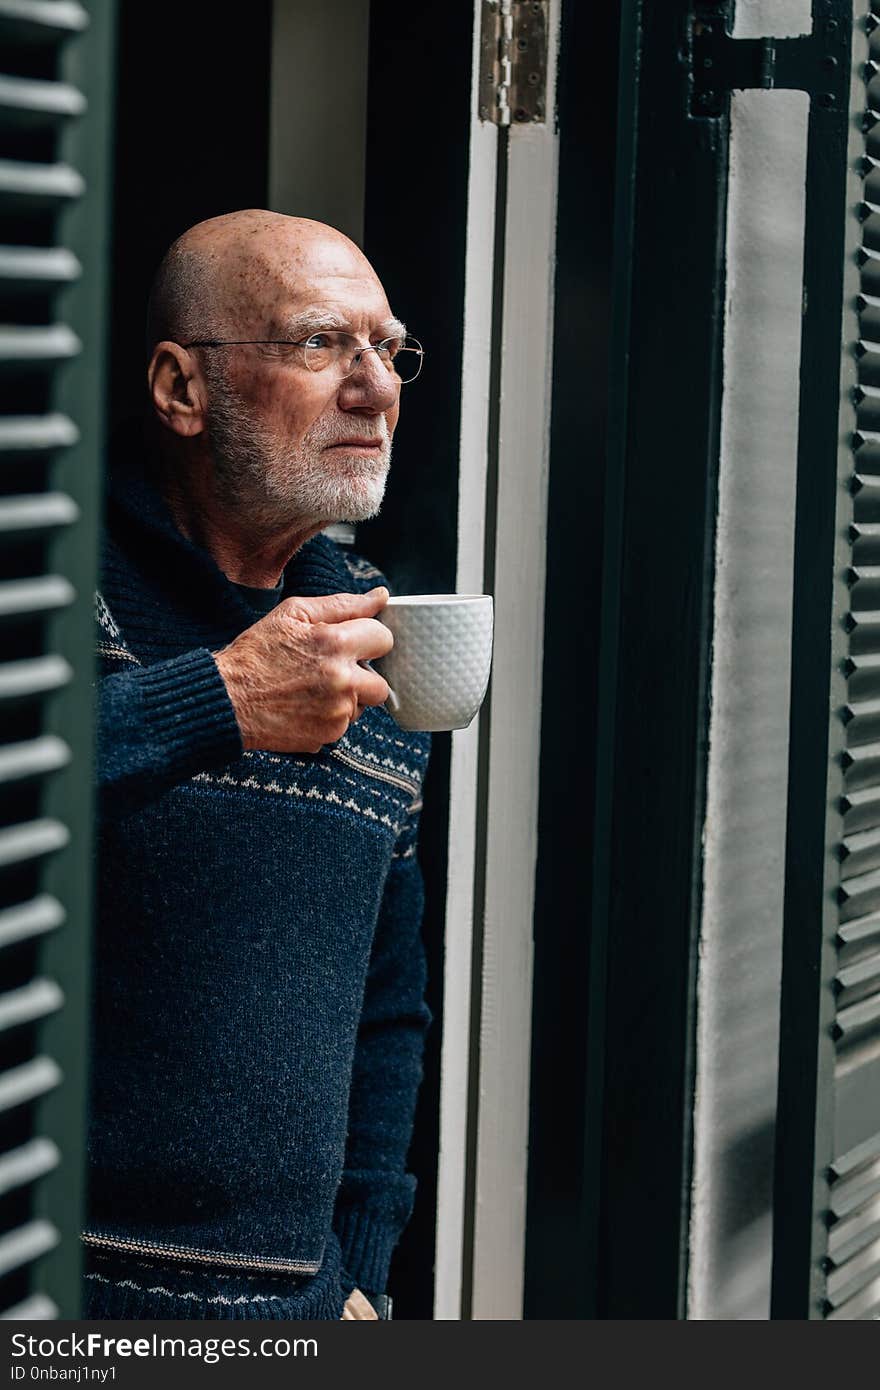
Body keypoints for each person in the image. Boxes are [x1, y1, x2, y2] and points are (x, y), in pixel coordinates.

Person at [84, 210, 431, 1321]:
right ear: (182, 389)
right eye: (322, 342)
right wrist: (213, 702)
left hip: (295, 1315)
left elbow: (386, 1001)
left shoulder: (371, 634)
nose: (375, 387)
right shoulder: (46, 577)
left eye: (390, 349)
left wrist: (365, 1269)